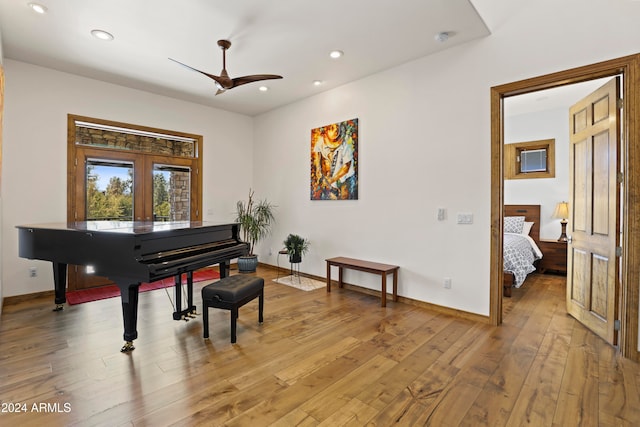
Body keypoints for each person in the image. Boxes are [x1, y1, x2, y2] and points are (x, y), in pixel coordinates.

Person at [311, 122, 357, 200]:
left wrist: (331, 180)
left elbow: (346, 167)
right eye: (332, 128)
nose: (336, 130)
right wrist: (318, 168)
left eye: (337, 128)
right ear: (326, 131)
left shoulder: (345, 142)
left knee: (344, 198)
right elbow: (317, 150)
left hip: (345, 178)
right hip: (332, 178)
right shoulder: (321, 140)